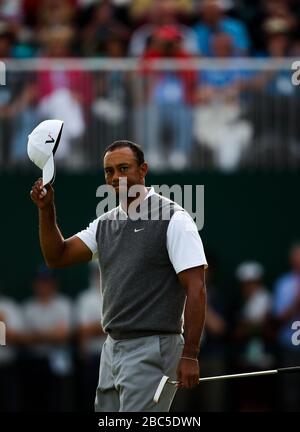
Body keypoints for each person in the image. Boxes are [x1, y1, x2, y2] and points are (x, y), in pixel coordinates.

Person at [29, 140, 207, 412]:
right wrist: (46, 209)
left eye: (124, 168)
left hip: (154, 345)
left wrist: (190, 355)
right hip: (112, 347)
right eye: (109, 171)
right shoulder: (105, 222)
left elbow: (197, 289)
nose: (115, 178)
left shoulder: (175, 219)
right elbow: (58, 256)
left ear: (143, 170)